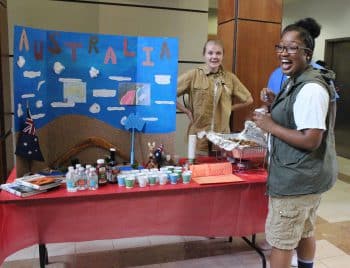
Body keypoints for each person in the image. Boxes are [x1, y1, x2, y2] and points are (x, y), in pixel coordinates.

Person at [252, 18, 337, 268]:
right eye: (280, 47)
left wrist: (270, 125)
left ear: (307, 53)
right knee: (304, 231)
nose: (283, 53)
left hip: (295, 180)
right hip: (308, 176)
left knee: (281, 241)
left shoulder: (311, 88)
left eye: (291, 48)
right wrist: (275, 100)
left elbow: (311, 139)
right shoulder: (298, 79)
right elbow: (298, 114)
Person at [176, 39, 253, 154]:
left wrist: (229, 108)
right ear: (204, 55)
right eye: (210, 53)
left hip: (222, 140)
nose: (214, 57)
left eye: (218, 53)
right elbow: (167, 94)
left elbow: (249, 100)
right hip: (199, 138)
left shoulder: (230, 78)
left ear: (222, 55)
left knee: (220, 169)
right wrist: (186, 111)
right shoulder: (193, 75)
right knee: (199, 170)